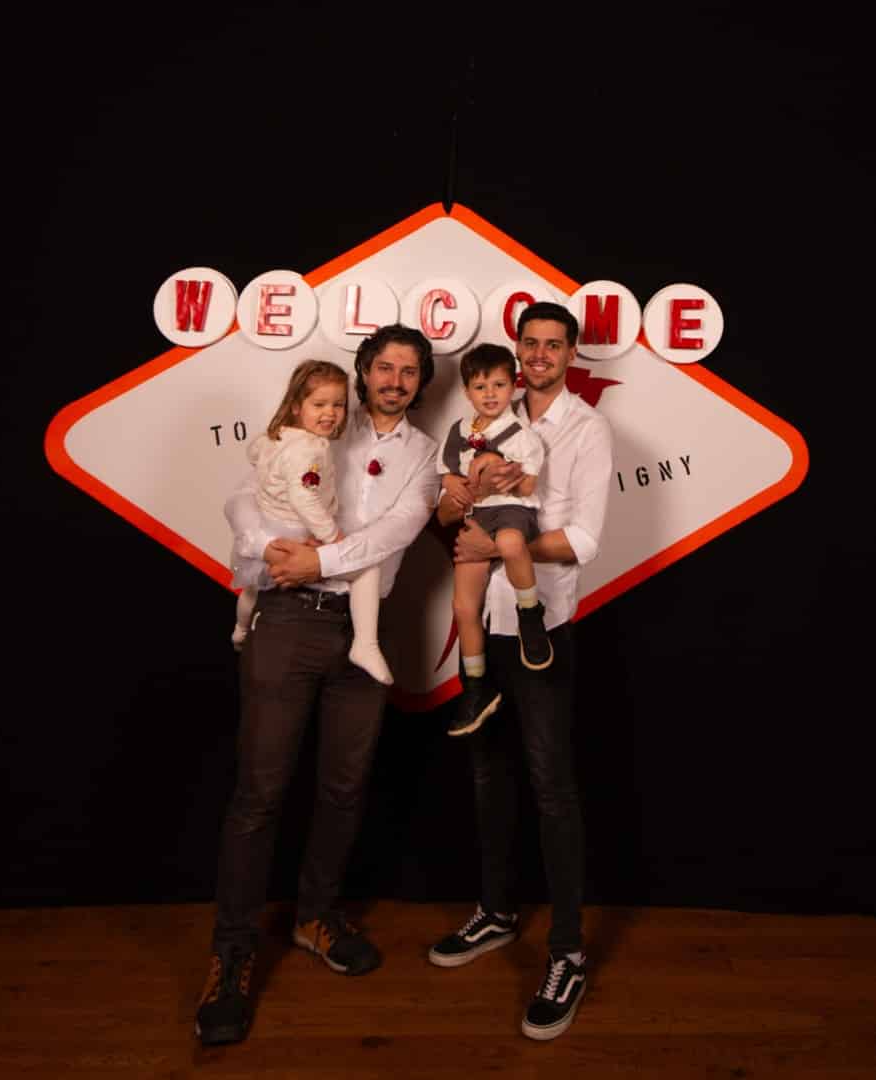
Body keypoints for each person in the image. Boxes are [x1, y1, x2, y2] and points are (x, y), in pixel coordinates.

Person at [196, 324, 440, 1047]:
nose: (394, 380)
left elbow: (397, 531)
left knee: (343, 788)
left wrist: (321, 558)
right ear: (363, 371)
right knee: (259, 795)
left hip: (361, 631)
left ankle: (314, 916)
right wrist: (265, 546)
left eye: (409, 371)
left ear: (421, 382)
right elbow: (243, 497)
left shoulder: (427, 455)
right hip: (285, 620)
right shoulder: (321, 415)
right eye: (384, 366)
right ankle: (232, 955)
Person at [426, 302, 613, 1042]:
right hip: (483, 620)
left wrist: (501, 547)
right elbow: (446, 518)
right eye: (529, 344)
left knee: (550, 783)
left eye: (553, 346)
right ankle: (498, 911)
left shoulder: (585, 429)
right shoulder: (484, 416)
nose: (539, 355)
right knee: (486, 769)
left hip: (542, 625)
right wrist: (461, 503)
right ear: (514, 353)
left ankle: (568, 952)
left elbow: (585, 538)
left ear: (570, 353)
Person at [230, 358, 392, 685]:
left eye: (338, 405)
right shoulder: (308, 451)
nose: (330, 413)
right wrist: (333, 537)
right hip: (294, 534)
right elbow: (304, 498)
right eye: (319, 404)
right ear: (295, 406)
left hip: (269, 526)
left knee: (254, 587)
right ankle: (365, 644)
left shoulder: (275, 438)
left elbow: (254, 453)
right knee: (367, 567)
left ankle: (240, 630)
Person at [436, 343, 550, 739]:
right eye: (480, 386)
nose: (490, 394)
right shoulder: (458, 431)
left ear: (513, 386)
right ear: (466, 391)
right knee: (463, 606)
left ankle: (530, 613)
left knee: (513, 545)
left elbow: (530, 484)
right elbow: (447, 475)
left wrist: (504, 473)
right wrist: (455, 483)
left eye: (499, 385)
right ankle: (475, 686)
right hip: (476, 515)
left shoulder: (520, 434)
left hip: (511, 509)